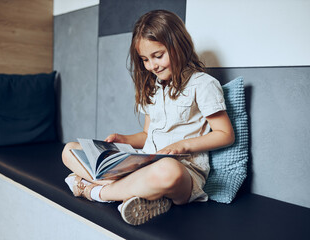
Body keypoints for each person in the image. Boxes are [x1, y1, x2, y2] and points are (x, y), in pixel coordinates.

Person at [62, 9, 235, 226]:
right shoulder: (153, 87)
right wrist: (124, 140)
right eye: (145, 59)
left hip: (184, 171)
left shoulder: (203, 84)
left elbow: (225, 134)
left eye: (158, 56)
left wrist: (183, 146)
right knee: (69, 150)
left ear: (178, 45)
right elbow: (147, 135)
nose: (152, 66)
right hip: (144, 163)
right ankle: (145, 195)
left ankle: (97, 192)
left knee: (168, 171)